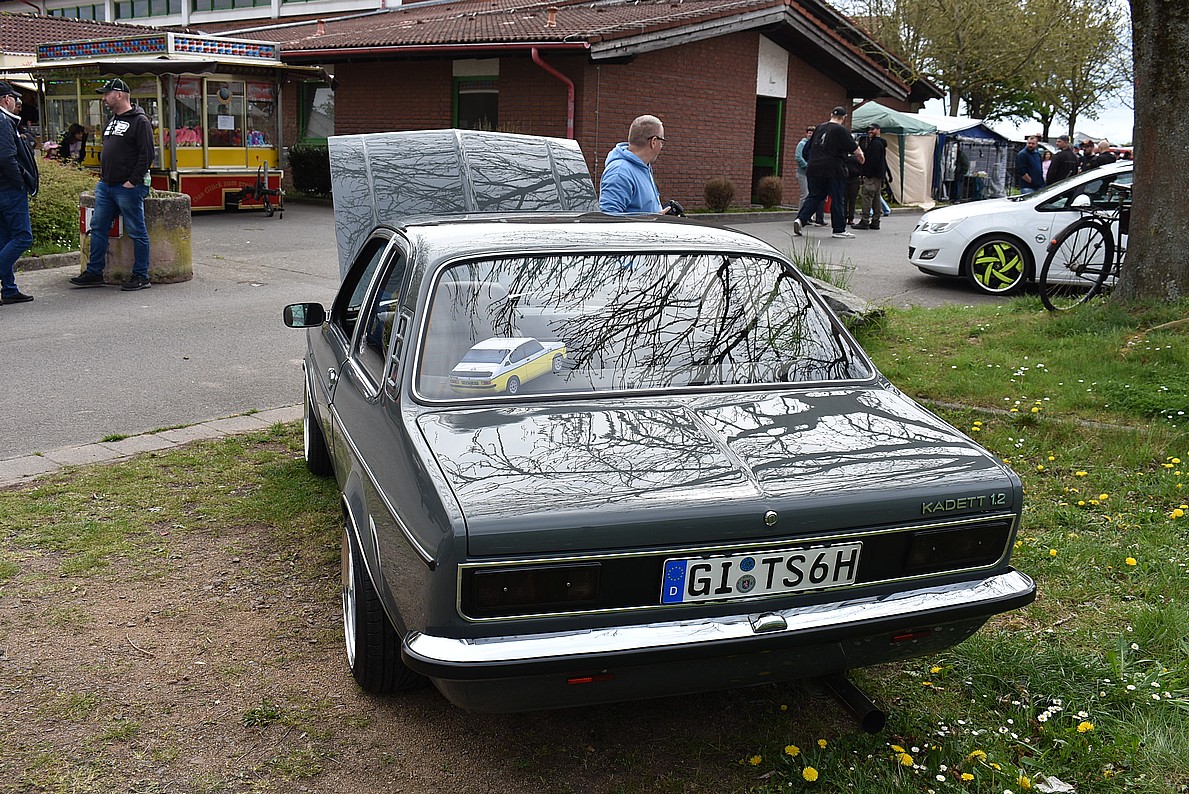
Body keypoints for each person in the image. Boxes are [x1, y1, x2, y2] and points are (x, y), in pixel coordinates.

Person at [69, 78, 155, 291]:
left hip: (127, 187)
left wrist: (132, 181)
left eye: (107, 94)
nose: (104, 98)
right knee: (98, 227)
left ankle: (141, 275)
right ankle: (94, 272)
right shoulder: (112, 120)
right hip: (106, 185)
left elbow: (146, 155)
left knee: (137, 230)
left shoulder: (140, 121)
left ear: (119, 94)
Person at [794, 106, 864, 239]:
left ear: (831, 115)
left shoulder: (819, 128)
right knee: (837, 198)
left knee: (815, 196)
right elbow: (854, 148)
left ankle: (801, 219)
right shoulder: (841, 130)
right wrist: (860, 155)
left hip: (814, 168)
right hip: (833, 169)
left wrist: (813, 160)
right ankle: (839, 229)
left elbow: (806, 150)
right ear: (844, 118)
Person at [0, 81, 38, 306]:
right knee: (23, 237)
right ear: (7, 99)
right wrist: (20, 181)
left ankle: (9, 289)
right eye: (14, 98)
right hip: (8, 189)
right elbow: (6, 157)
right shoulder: (3, 121)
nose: (16, 102)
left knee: (5, 239)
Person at [598, 115, 676, 215]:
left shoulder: (643, 167)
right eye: (662, 142)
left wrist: (658, 217)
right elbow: (609, 219)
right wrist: (653, 220)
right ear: (653, 142)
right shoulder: (619, 173)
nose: (661, 146)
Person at [856, 123, 889, 230]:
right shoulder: (880, 143)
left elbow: (873, 161)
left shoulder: (875, 144)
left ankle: (865, 220)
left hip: (872, 175)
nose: (870, 131)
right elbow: (882, 161)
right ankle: (875, 221)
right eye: (869, 130)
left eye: (872, 129)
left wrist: (867, 173)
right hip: (878, 175)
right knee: (876, 198)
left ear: (878, 130)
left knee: (867, 196)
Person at [794, 125, 824, 226]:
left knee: (810, 195)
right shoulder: (802, 144)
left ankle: (807, 217)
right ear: (806, 134)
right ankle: (800, 217)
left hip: (811, 174)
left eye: (812, 133)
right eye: (809, 133)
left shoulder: (814, 144)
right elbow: (798, 157)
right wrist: (807, 166)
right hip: (803, 173)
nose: (811, 135)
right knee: (805, 195)